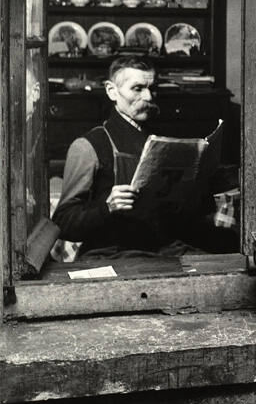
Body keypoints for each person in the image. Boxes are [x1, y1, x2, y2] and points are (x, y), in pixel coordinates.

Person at [52, 56, 232, 256]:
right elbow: (63, 222)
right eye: (137, 88)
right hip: (113, 253)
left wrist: (197, 186)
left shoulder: (163, 140)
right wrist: (106, 207)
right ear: (112, 91)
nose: (148, 96)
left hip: (165, 248)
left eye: (151, 88)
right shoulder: (88, 146)